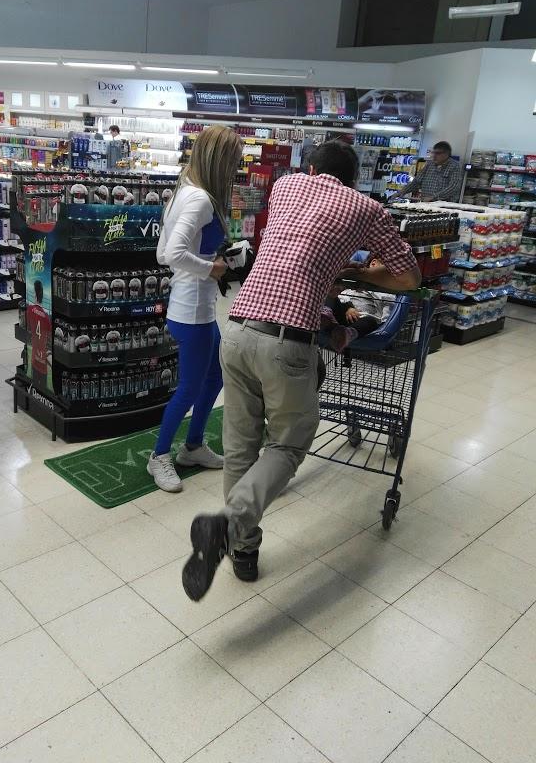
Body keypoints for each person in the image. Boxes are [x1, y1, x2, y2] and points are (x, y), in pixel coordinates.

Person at [181, 140, 421, 602]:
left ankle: (243, 554)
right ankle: (229, 524)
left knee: (240, 449)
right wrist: (362, 275)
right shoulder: (367, 207)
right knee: (288, 446)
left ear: (310, 169)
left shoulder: (287, 185)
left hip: (239, 329)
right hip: (286, 344)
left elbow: (300, 245)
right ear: (353, 180)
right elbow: (409, 276)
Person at [147, 125, 243, 493]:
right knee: (189, 387)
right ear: (220, 161)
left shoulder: (181, 193)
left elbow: (161, 253)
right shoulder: (201, 199)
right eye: (233, 162)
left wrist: (204, 260)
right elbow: (171, 255)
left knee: (214, 377)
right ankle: (158, 457)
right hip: (191, 311)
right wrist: (212, 267)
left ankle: (193, 447)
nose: (236, 169)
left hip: (193, 307)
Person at [321, 257, 394, 351]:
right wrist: (349, 308)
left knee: (371, 322)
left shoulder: (385, 292)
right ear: (374, 263)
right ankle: (326, 319)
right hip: (343, 312)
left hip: (363, 321)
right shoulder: (355, 278)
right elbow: (341, 295)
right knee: (333, 297)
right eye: (387, 270)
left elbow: (388, 310)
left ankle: (346, 333)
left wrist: (385, 329)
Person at [394, 141, 462, 203]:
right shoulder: (429, 164)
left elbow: (453, 187)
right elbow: (416, 182)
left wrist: (434, 197)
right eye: (433, 153)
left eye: (438, 153)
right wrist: (401, 192)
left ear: (446, 154)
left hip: (444, 207)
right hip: (426, 204)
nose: (434, 156)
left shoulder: (455, 167)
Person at [26, 279, 52, 393]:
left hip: (34, 359)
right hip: (43, 362)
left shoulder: (30, 310)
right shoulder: (46, 317)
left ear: (35, 294)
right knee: (44, 391)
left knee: (35, 388)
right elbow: (49, 335)